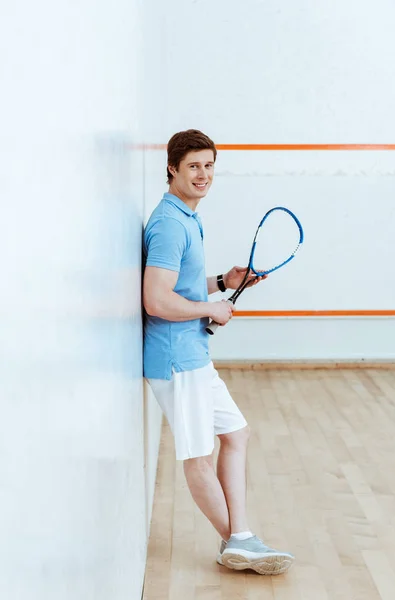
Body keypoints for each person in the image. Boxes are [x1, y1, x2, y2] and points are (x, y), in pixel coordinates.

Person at [143, 129, 294, 575]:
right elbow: (155, 298)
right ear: (172, 168)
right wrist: (212, 308)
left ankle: (241, 538)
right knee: (198, 455)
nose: (203, 174)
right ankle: (238, 542)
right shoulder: (170, 223)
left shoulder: (187, 215)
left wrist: (223, 283)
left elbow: (179, 285)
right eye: (193, 166)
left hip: (193, 353)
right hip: (175, 358)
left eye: (209, 165)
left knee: (237, 433)